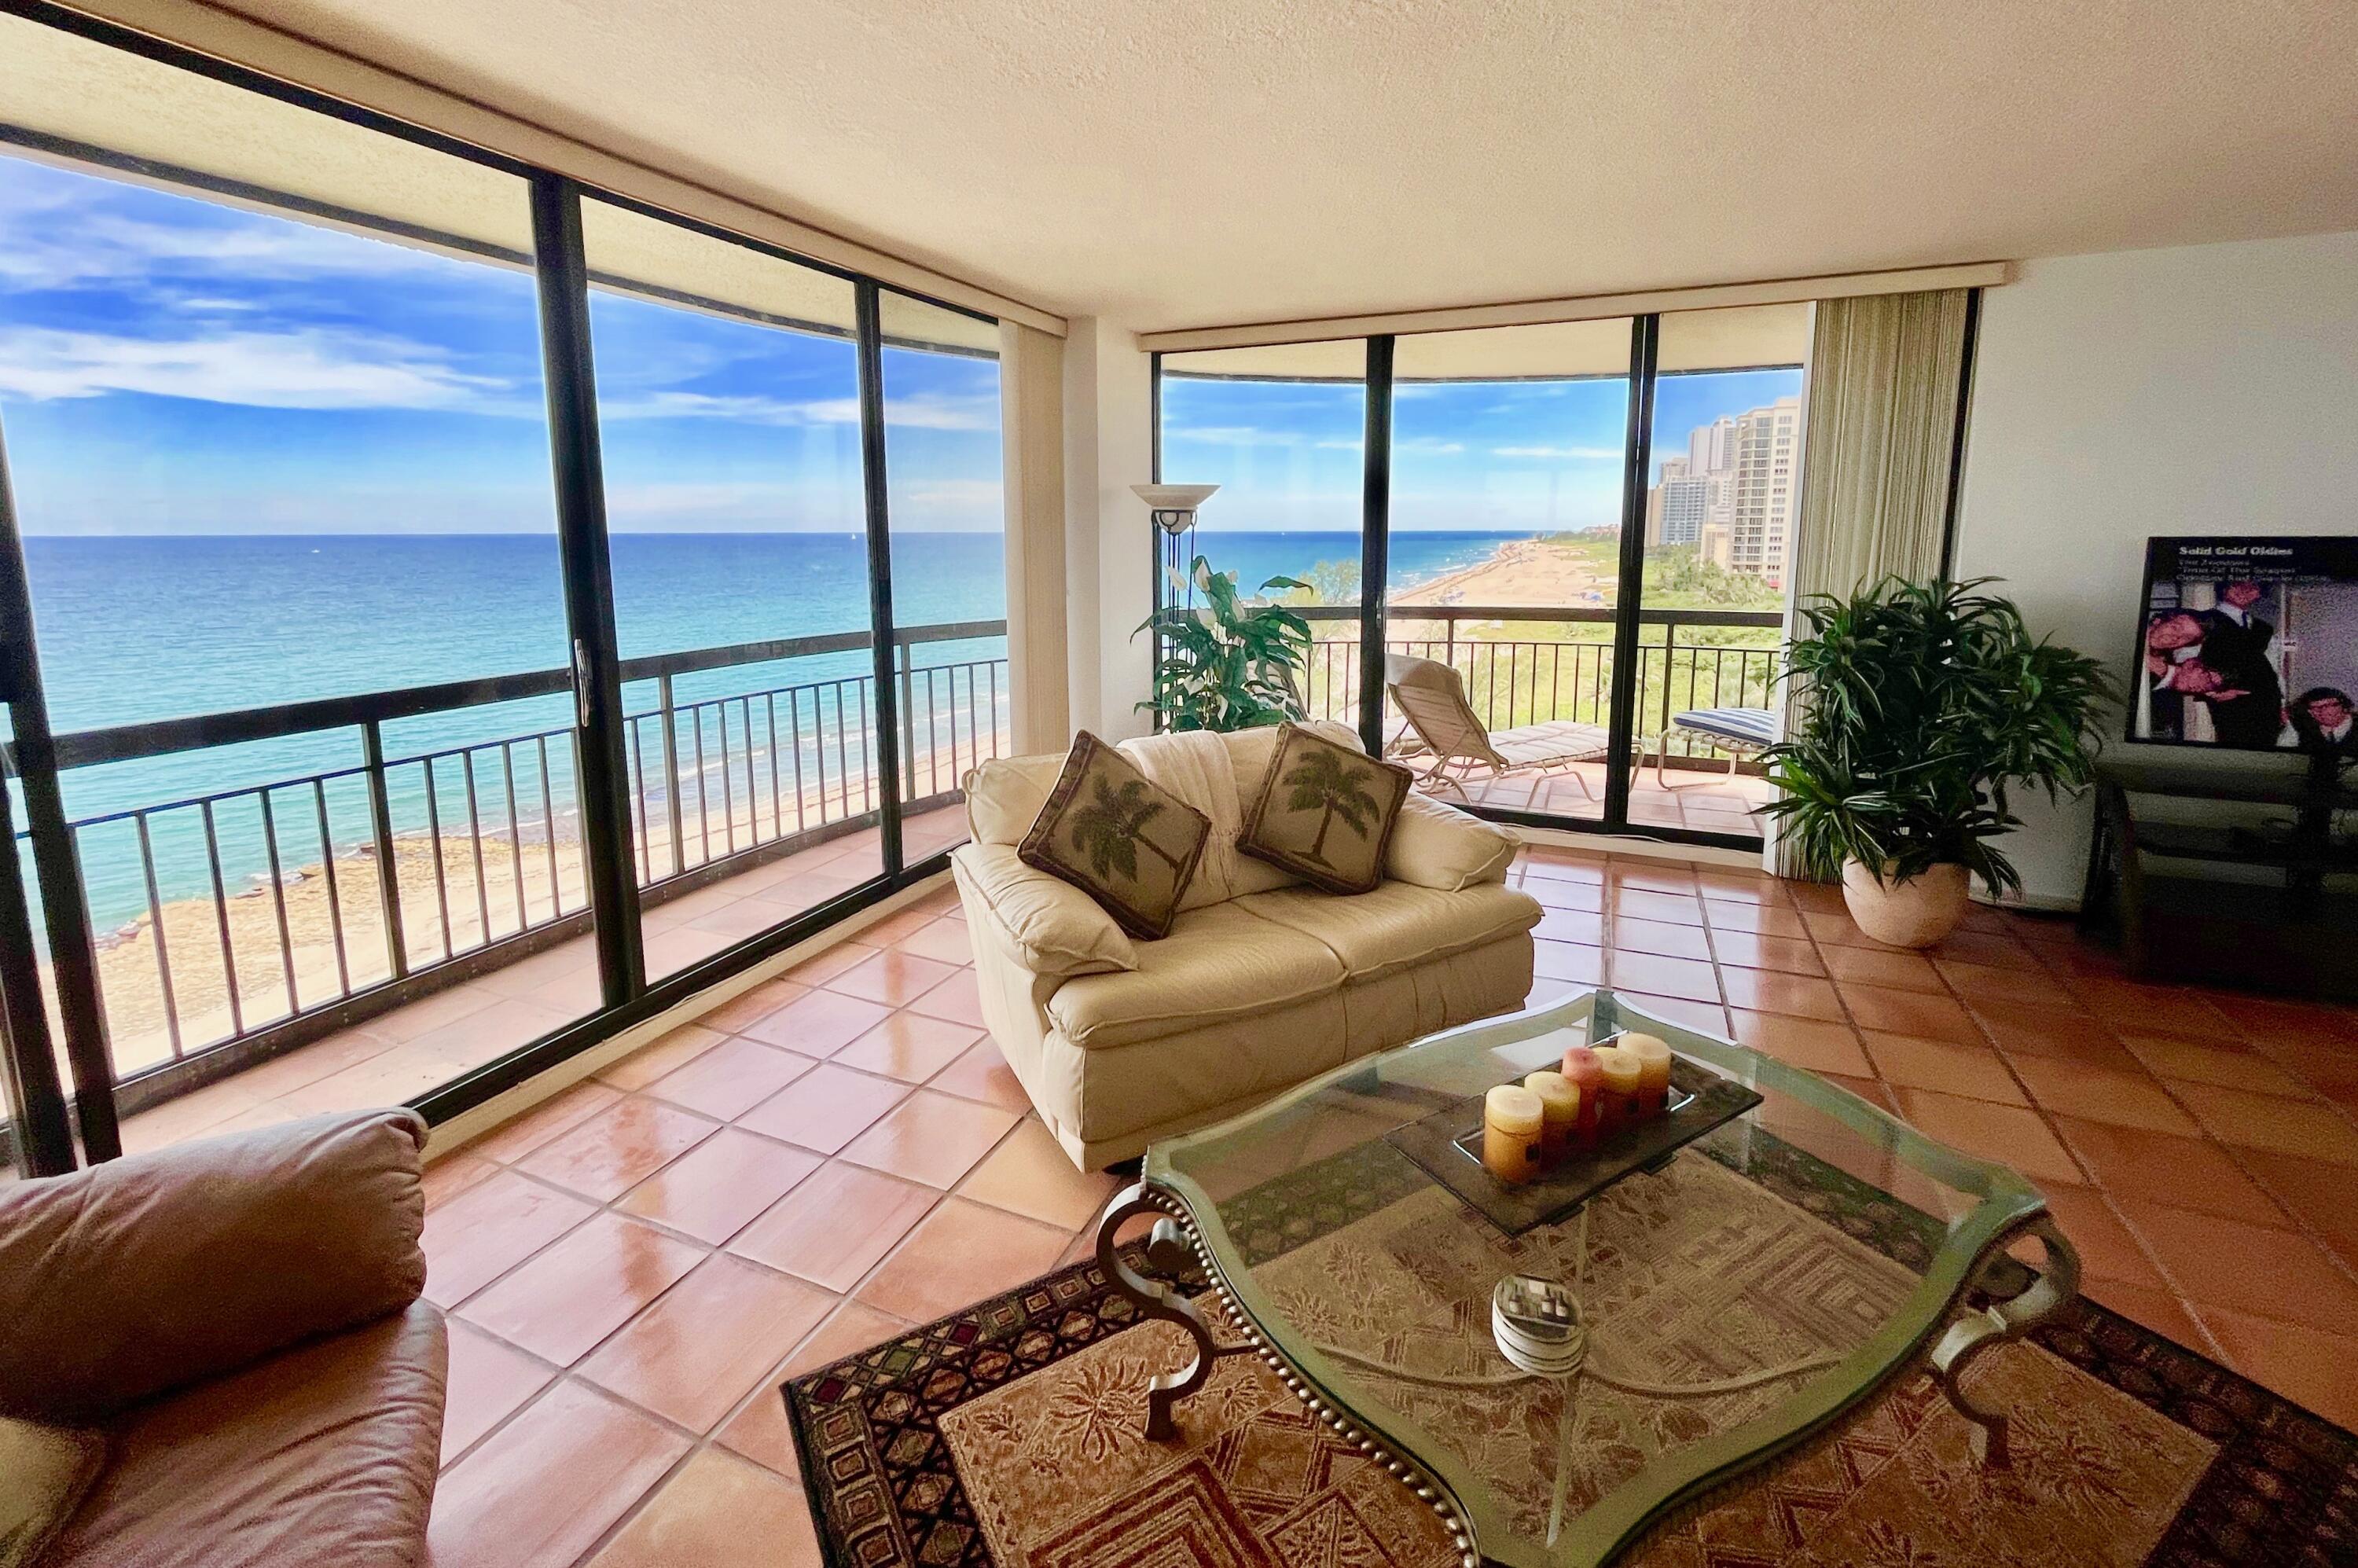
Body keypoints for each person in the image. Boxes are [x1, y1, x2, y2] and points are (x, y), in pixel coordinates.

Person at [2197, 581, 2287, 748]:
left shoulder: (2263, 628)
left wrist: (2281, 705)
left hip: (2269, 703)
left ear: (2258, 594)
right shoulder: (2204, 620)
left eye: (2252, 587)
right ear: (2224, 587)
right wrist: (2213, 692)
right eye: (2237, 584)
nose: (2244, 590)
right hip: (2232, 705)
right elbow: (2186, 660)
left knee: (2265, 752)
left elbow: (2274, 667)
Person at [2284, 687, 2358, 761]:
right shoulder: (2304, 730)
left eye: (2326, 706)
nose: (2321, 712)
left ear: (2343, 707)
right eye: (2314, 708)